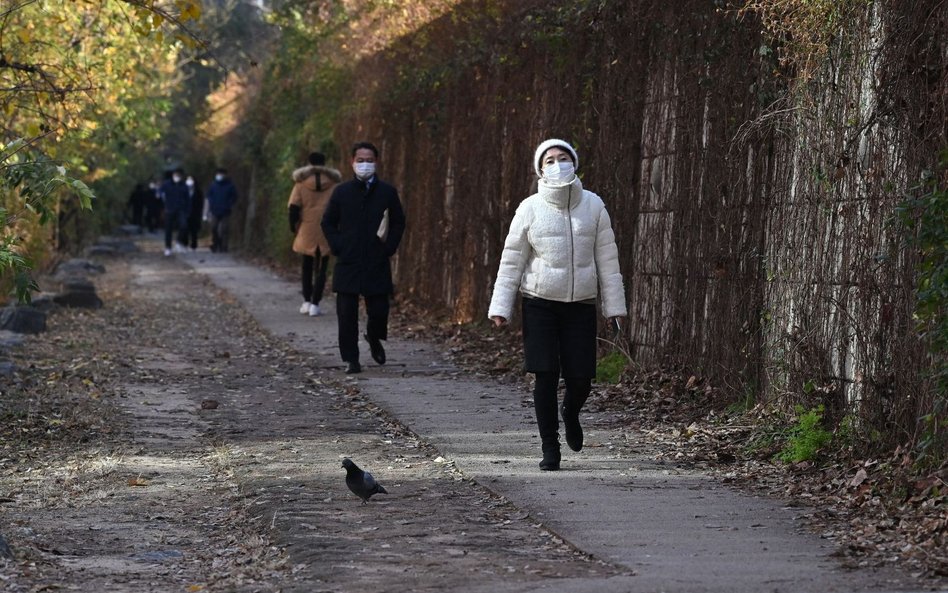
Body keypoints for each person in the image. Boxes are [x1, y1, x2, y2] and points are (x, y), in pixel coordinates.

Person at [487, 138, 626, 471]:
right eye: (549, 160)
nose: (557, 163)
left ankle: (571, 412)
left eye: (563, 158)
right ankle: (550, 447)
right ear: (540, 169)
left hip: (580, 305)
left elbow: (607, 259)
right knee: (545, 374)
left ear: (574, 163)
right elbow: (512, 260)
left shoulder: (594, 206)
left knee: (581, 379)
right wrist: (500, 306)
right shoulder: (529, 208)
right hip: (539, 304)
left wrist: (615, 307)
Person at [321, 141, 406, 374]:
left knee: (379, 310)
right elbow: (327, 222)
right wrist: (338, 245)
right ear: (352, 162)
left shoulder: (387, 192)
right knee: (346, 313)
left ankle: (374, 336)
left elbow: (399, 221)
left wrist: (389, 247)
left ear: (376, 162)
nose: (365, 164)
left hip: (376, 259)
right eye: (360, 160)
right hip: (348, 261)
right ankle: (351, 359)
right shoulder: (342, 192)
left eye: (369, 160)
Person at [288, 152, 342, 317]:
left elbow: (293, 208)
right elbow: (340, 208)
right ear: (324, 163)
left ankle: (306, 300)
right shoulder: (334, 184)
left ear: (309, 163)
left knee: (306, 266)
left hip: (307, 228)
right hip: (327, 229)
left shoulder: (300, 184)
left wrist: (294, 227)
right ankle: (316, 304)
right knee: (322, 268)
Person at [159, 168, 191, 256]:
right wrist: (162, 198)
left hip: (181, 209)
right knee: (168, 229)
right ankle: (168, 247)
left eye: (179, 175)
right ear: (173, 175)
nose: (177, 177)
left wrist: (188, 210)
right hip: (169, 209)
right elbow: (160, 192)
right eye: (176, 175)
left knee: (183, 225)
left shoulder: (184, 186)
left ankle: (178, 242)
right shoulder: (167, 184)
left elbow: (188, 199)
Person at [206, 167, 238, 252]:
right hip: (215, 210)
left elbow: (234, 197)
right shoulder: (213, 185)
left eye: (221, 174)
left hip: (225, 210)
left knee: (225, 229)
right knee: (214, 228)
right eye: (218, 174)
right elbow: (209, 195)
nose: (219, 176)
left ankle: (224, 246)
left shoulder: (230, 186)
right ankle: (215, 243)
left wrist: (229, 204)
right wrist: (211, 204)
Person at [185, 175, 205, 251]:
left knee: (194, 230)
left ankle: (194, 244)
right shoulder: (183, 190)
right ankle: (185, 243)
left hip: (195, 213)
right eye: (188, 179)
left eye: (191, 180)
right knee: (185, 229)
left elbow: (200, 203)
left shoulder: (198, 191)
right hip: (186, 212)